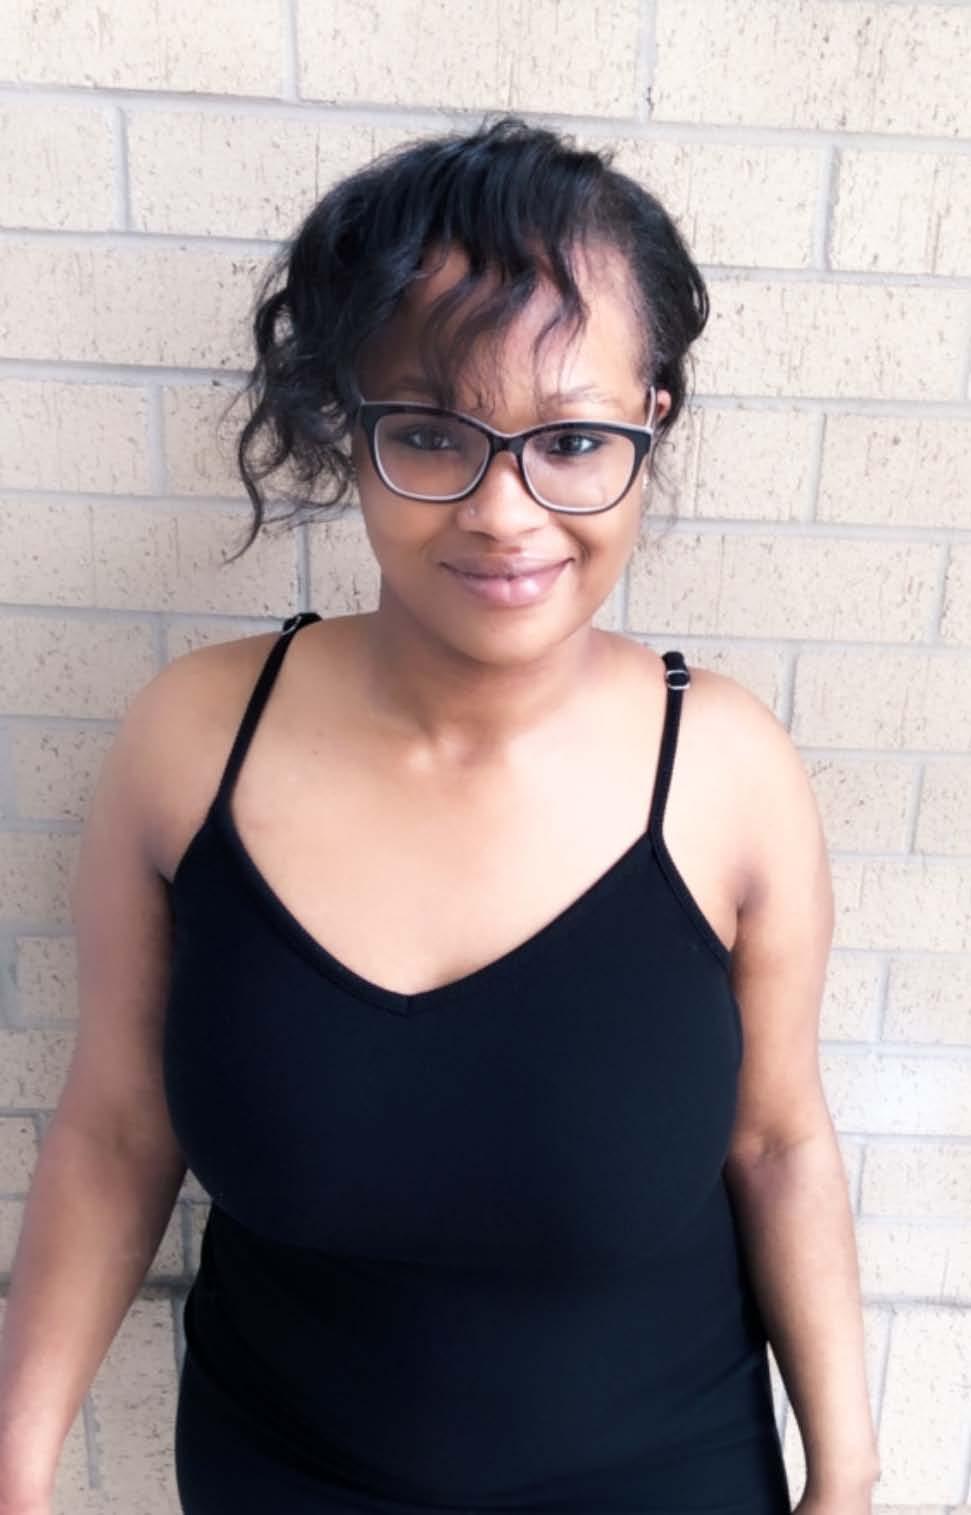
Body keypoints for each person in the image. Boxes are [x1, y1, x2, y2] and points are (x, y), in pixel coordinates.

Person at [0, 116, 880, 1514]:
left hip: (663, 1481)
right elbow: (115, 1129)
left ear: (651, 420)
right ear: (347, 425)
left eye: (572, 441)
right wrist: (18, 1464)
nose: (504, 513)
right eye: (429, 434)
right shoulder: (190, 744)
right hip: (281, 1478)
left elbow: (778, 1143)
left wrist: (849, 1475)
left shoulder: (728, 771)